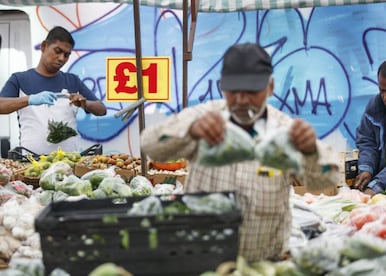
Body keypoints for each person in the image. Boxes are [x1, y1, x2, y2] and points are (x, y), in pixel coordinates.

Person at [140, 42, 340, 262]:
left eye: (252, 91)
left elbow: (327, 180)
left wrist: (310, 150)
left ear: (270, 87)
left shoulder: (285, 131)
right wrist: (191, 131)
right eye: (234, 91)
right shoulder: (205, 117)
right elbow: (150, 145)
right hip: (205, 261)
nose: (242, 100)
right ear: (222, 87)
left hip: (264, 263)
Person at [0, 26, 106, 154]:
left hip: (68, 162)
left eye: (66, 55)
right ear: (44, 46)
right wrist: (30, 99)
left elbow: (102, 110)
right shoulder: (20, 79)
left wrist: (85, 103)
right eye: (58, 51)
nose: (62, 58)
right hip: (31, 163)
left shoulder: (72, 81)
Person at [354, 59, 386, 196]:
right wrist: (366, 168)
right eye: (381, 90)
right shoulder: (375, 106)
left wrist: (378, 184)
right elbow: (367, 141)